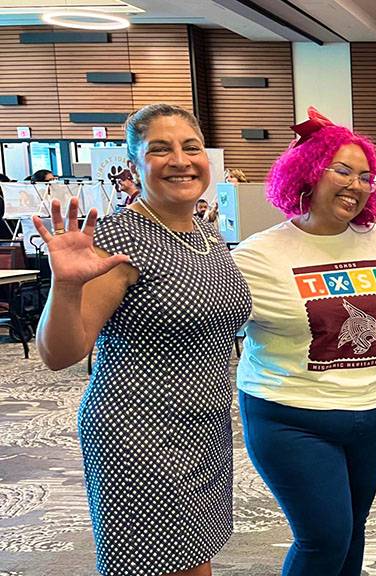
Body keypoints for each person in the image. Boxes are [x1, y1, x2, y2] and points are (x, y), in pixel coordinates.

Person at [31, 103, 252, 576]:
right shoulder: (118, 238)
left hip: (205, 427)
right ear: (134, 166)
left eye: (191, 147)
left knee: (194, 560)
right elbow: (60, 354)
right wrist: (66, 285)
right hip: (137, 433)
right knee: (153, 566)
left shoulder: (206, 232)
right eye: (159, 149)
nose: (180, 160)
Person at [232, 108, 376, 575]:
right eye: (342, 170)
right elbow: (208, 321)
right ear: (308, 172)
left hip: (373, 412)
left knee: (352, 530)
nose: (356, 185)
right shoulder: (260, 254)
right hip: (291, 416)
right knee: (323, 538)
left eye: (367, 177)